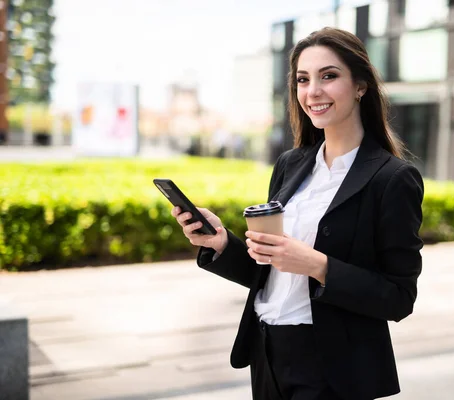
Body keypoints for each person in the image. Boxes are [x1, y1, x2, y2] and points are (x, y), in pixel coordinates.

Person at [171, 27, 424, 400]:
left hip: (331, 367)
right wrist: (222, 244)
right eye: (303, 80)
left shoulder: (392, 179)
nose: (313, 91)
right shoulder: (292, 164)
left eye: (329, 76)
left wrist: (318, 265)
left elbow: (399, 297)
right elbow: (271, 272)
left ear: (360, 86)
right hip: (267, 351)